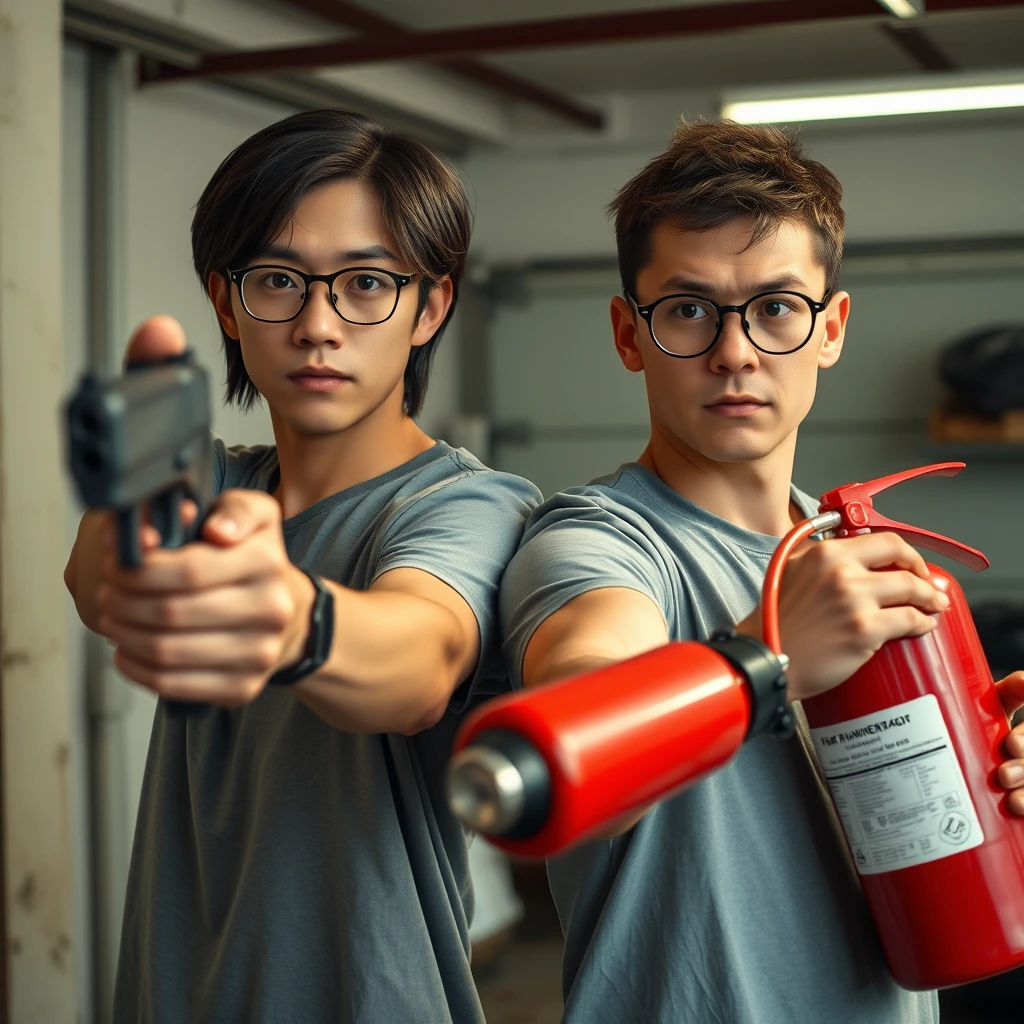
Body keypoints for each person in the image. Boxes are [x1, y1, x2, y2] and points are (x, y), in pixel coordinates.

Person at [499, 118, 1024, 1023]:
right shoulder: (598, 544)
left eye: (776, 307)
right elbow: (573, 742)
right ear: (631, 334)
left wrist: (998, 787)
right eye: (689, 309)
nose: (735, 350)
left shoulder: (844, 557)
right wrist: (764, 658)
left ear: (832, 329)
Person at [64, 109, 541, 1023]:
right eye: (278, 281)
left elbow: (420, 657)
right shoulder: (202, 482)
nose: (319, 324)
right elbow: (99, 581)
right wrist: (133, 529)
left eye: (366, 284)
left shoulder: (471, 506)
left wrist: (295, 621)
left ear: (429, 306)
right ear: (225, 301)